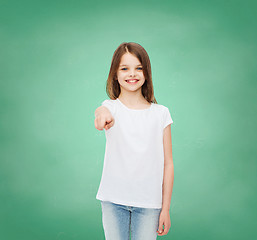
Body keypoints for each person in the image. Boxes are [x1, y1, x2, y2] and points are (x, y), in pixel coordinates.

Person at [94, 42, 174, 240]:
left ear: (146, 72)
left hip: (149, 203)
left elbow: (168, 163)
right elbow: (100, 113)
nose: (132, 74)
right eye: (125, 68)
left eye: (139, 68)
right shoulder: (110, 108)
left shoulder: (161, 113)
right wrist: (101, 115)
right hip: (113, 200)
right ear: (115, 74)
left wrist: (165, 209)